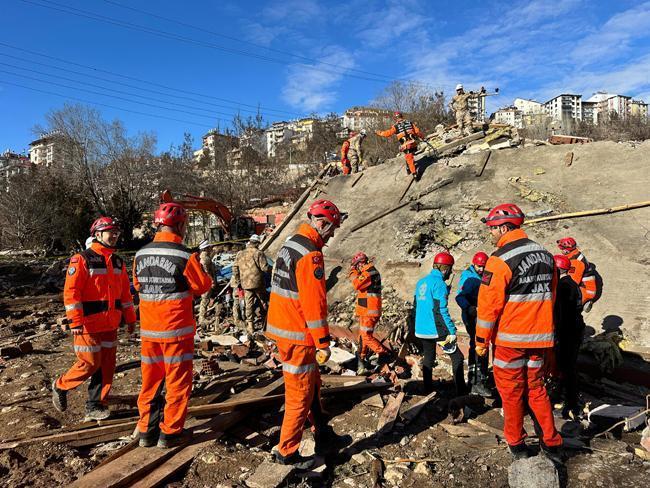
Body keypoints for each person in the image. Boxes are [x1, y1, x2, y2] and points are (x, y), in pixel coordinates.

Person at [266, 199, 349, 469]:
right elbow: (315, 304)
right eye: (332, 227)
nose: (333, 233)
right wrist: (323, 342)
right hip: (298, 334)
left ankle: (322, 431)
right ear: (321, 223)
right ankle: (286, 451)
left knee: (312, 384)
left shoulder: (290, 244)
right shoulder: (310, 253)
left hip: (283, 327)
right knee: (299, 394)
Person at [476, 203, 562, 461]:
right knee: (537, 389)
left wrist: (481, 342)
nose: (491, 234)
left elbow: (488, 307)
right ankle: (551, 441)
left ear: (504, 227)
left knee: (511, 394)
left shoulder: (499, 260)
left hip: (510, 341)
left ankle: (517, 444)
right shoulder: (546, 256)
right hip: (541, 338)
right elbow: (552, 297)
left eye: (492, 228)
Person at [133, 202, 212, 448]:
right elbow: (203, 287)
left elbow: (137, 286)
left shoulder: (140, 254)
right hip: (176, 331)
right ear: (179, 225)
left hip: (149, 331)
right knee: (177, 382)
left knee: (150, 382)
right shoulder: (184, 256)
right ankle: (170, 433)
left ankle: (146, 431)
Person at [52, 217, 136, 421]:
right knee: (89, 363)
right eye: (110, 232)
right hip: (87, 324)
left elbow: (125, 294)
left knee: (107, 366)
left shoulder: (117, 262)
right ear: (97, 235)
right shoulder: (81, 259)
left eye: (116, 232)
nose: (115, 235)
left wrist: (130, 318)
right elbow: (71, 294)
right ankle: (60, 385)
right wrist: (75, 321)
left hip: (110, 323)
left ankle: (96, 405)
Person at [413, 252, 466, 396]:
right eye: (450, 268)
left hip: (421, 328)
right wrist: (451, 331)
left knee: (429, 358)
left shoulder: (421, 282)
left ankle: (427, 389)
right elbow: (440, 310)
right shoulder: (440, 284)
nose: (450, 272)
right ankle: (461, 391)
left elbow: (417, 305)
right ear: (445, 269)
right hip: (436, 328)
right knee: (457, 357)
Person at [553, 254, 585, 419]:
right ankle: (567, 399)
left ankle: (570, 403)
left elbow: (560, 314)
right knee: (568, 367)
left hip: (568, 332)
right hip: (575, 330)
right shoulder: (572, 284)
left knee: (566, 368)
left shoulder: (563, 288)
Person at [455, 251, 491, 396]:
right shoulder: (469, 278)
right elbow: (460, 297)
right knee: (478, 346)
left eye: (483, 266)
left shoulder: (485, 275)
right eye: (479, 266)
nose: (481, 269)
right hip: (472, 316)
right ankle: (477, 381)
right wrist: (469, 309)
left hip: (482, 315)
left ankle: (478, 378)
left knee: (480, 346)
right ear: (473, 264)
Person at [349, 252, 388, 373]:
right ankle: (362, 359)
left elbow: (356, 284)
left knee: (366, 336)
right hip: (365, 311)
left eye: (357, 266)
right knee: (362, 336)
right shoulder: (367, 271)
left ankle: (383, 354)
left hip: (370, 312)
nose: (357, 269)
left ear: (361, 263)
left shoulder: (369, 272)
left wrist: (352, 272)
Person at [231, 234, 271, 335]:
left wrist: (238, 280)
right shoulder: (258, 253)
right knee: (263, 301)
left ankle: (250, 326)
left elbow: (234, 268)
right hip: (258, 283)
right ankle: (265, 323)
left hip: (246, 284)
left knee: (248, 304)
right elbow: (265, 268)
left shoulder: (240, 253)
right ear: (257, 243)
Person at [376, 112, 423, 178]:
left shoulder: (395, 126)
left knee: (409, 157)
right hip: (413, 143)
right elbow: (417, 131)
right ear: (402, 116)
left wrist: (379, 132)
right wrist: (422, 137)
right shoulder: (410, 123)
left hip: (405, 145)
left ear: (395, 118)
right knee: (410, 155)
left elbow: (387, 133)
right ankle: (409, 167)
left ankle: (414, 173)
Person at [557, 237, 597, 310]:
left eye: (562, 248)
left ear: (566, 250)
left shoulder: (576, 263)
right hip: (585, 287)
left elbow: (572, 283)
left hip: (586, 291)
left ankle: (584, 302)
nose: (561, 250)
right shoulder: (574, 254)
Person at [198, 240, 217, 327]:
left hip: (205, 281)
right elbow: (206, 272)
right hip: (206, 282)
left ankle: (202, 317)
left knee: (205, 300)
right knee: (205, 300)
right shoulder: (204, 258)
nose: (211, 249)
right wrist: (212, 281)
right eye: (209, 247)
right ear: (205, 248)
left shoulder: (204, 257)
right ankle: (202, 318)